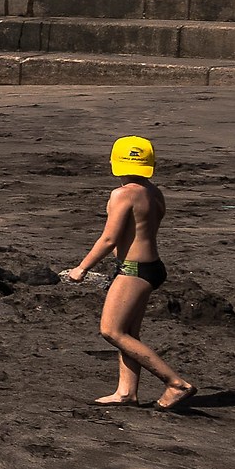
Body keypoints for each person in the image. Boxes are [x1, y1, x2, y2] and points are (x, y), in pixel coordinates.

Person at [62, 135, 194, 410]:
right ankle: (126, 392)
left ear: (114, 162)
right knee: (129, 333)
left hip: (133, 270)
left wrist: (81, 269)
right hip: (152, 267)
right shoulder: (154, 192)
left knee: (111, 331)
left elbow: (109, 239)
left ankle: (175, 383)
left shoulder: (123, 194)